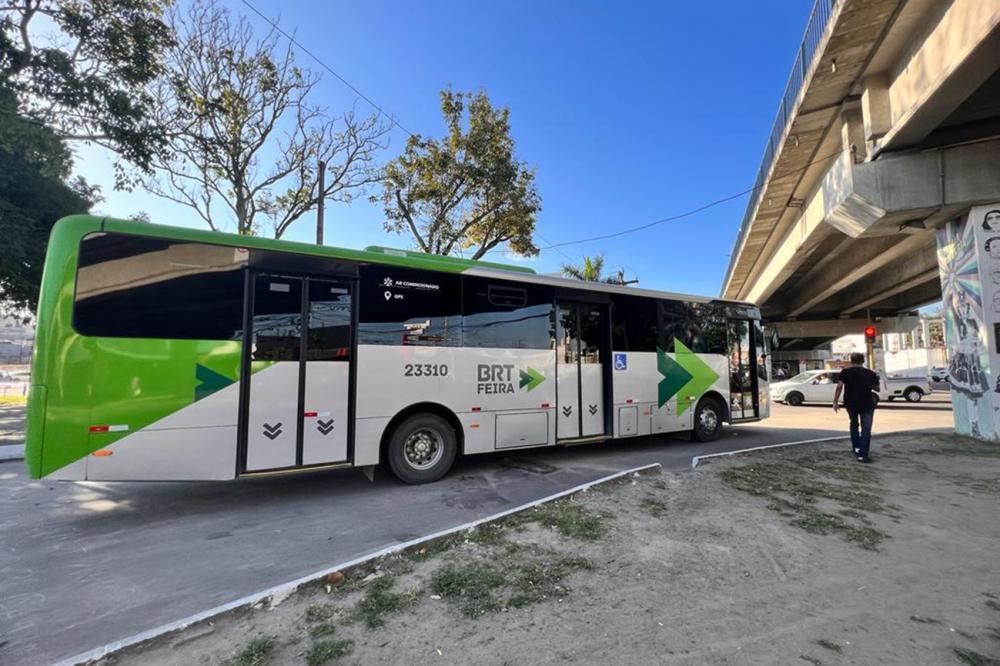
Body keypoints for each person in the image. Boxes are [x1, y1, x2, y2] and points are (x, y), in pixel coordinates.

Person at [833, 353, 880, 462]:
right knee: (866, 429)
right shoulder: (870, 373)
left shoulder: (845, 372)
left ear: (851, 361)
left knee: (854, 424)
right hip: (867, 403)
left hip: (850, 403)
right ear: (863, 361)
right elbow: (877, 389)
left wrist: (835, 401)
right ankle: (863, 455)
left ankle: (856, 448)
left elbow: (839, 387)